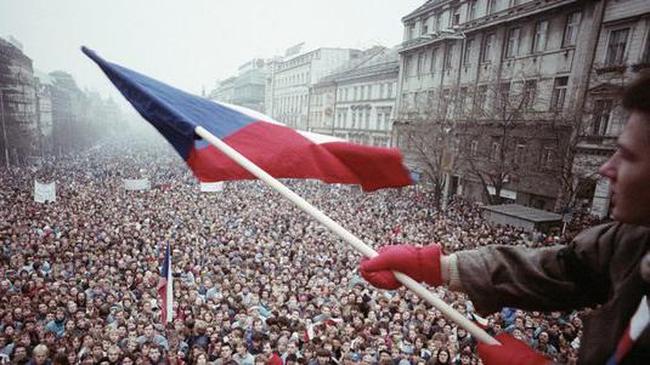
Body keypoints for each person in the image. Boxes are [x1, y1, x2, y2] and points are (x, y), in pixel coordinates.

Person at [359, 73, 650, 364]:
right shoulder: (633, 240)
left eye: (628, 155)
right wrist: (439, 266)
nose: (606, 168)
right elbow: (562, 269)